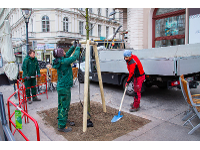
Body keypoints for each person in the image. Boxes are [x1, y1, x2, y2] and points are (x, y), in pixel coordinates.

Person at [52, 41, 80, 133]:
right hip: (64, 87)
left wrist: (73, 47)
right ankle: (61, 125)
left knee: (61, 104)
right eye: (63, 51)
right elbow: (74, 57)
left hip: (61, 86)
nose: (65, 52)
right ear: (60, 54)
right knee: (64, 105)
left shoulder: (60, 61)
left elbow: (67, 54)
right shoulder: (64, 62)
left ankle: (63, 119)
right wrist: (78, 48)